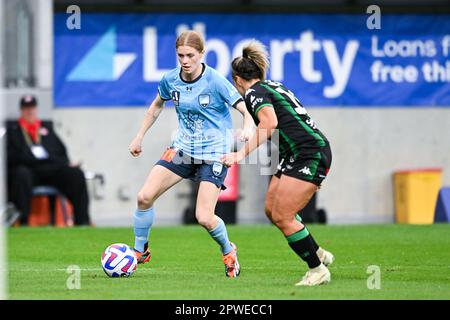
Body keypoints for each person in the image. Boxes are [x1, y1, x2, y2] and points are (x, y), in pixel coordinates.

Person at [128, 31, 254, 278]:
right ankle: (140, 250)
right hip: (183, 149)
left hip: (213, 154)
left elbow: (244, 107)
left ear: (201, 54)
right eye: (180, 55)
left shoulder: (215, 81)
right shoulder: (170, 79)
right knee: (144, 197)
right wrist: (139, 135)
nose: (185, 60)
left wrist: (249, 127)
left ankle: (229, 251)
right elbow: (156, 105)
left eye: (190, 55)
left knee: (204, 217)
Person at [221, 40, 334, 286]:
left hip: (309, 153)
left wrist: (239, 155)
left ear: (237, 79)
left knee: (284, 216)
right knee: (272, 210)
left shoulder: (252, 93)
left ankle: (317, 270)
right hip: (295, 154)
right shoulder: (270, 85)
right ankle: (318, 253)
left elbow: (269, 124)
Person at [6, 95, 91, 226]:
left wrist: (67, 164)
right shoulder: (13, 131)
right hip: (29, 170)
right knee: (21, 174)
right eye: (26, 108)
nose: (30, 111)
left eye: (32, 108)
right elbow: (11, 157)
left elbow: (61, 152)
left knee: (76, 174)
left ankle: (82, 221)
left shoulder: (46, 129)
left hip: (50, 169)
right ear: (21, 110)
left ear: (36, 109)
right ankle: (23, 221)